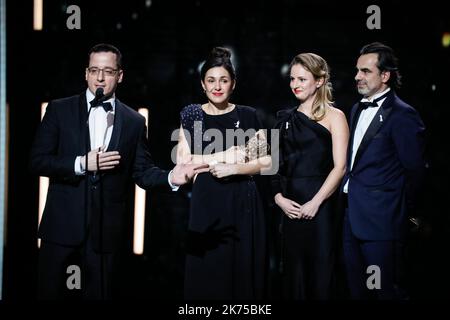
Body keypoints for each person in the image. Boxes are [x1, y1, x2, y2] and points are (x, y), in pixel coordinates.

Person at [30, 43, 208, 299]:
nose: (100, 77)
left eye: (108, 71)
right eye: (94, 70)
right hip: (61, 230)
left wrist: (172, 177)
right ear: (86, 73)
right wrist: (81, 163)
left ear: (120, 75)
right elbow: (37, 161)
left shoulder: (135, 121)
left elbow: (143, 172)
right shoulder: (59, 110)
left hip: (105, 236)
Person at [176, 47, 271, 300]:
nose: (217, 86)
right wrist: (227, 154)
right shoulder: (192, 114)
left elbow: (267, 160)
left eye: (224, 80)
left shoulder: (248, 115)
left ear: (233, 84)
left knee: (242, 275)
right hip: (206, 203)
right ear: (202, 84)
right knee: (208, 273)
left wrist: (234, 167)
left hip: (244, 202)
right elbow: (183, 163)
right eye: (211, 80)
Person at [342, 42, 426, 299]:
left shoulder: (403, 115)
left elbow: (416, 171)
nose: (357, 77)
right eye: (357, 71)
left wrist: (402, 212)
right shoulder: (357, 108)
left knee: (384, 292)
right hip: (351, 216)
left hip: (383, 221)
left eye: (365, 71)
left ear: (385, 75)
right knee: (357, 291)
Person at [271, 53, 349, 299]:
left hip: (322, 209)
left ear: (319, 80)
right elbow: (271, 165)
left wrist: (315, 203)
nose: (295, 84)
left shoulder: (336, 117)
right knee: (293, 280)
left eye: (302, 79)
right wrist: (278, 198)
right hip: (290, 209)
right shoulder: (284, 118)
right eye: (293, 78)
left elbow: (341, 167)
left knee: (320, 276)